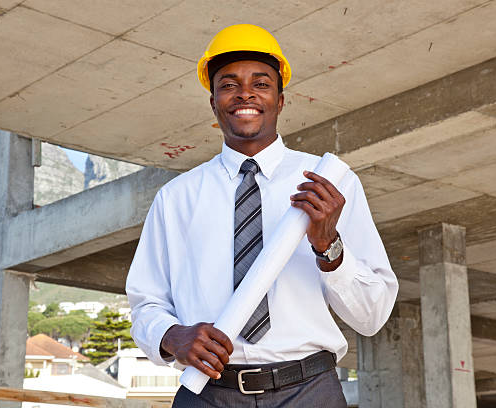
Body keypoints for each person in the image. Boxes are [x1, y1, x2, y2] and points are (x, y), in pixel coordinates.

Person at [126, 24, 398, 407]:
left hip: (309, 392)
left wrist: (329, 247)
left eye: (261, 83)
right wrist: (171, 336)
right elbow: (146, 304)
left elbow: (372, 316)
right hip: (208, 393)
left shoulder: (330, 185)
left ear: (281, 100)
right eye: (229, 84)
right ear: (214, 102)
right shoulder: (176, 198)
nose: (245, 94)